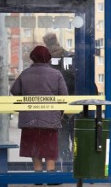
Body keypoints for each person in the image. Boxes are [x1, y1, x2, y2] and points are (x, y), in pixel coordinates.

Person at [10, 45, 68, 178]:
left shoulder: (25, 73)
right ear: (48, 58)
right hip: (50, 118)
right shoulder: (56, 74)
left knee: (34, 147)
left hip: (30, 118)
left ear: (33, 58)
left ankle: (38, 174)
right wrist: (59, 113)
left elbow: (14, 90)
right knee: (49, 147)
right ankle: (50, 175)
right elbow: (64, 95)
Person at [42, 32, 76, 164]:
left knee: (61, 140)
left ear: (46, 44)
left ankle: (65, 164)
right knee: (75, 137)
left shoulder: (45, 62)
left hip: (55, 108)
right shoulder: (70, 57)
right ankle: (75, 166)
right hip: (73, 105)